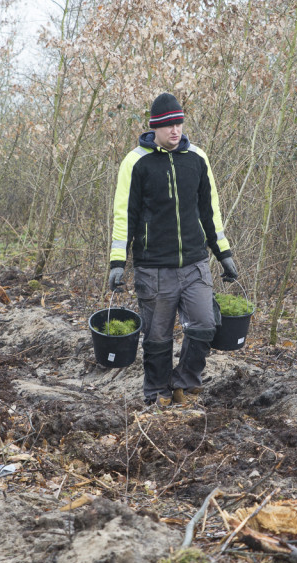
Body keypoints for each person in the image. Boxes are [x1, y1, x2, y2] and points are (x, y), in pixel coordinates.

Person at [107, 92, 238, 406]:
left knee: (206, 324)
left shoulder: (197, 158)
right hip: (153, 266)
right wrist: (117, 260)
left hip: (194, 263)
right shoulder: (136, 162)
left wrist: (224, 254)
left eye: (178, 123)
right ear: (155, 128)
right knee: (157, 336)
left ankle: (184, 381)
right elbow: (125, 214)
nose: (175, 130)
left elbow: (211, 212)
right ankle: (157, 393)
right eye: (168, 126)